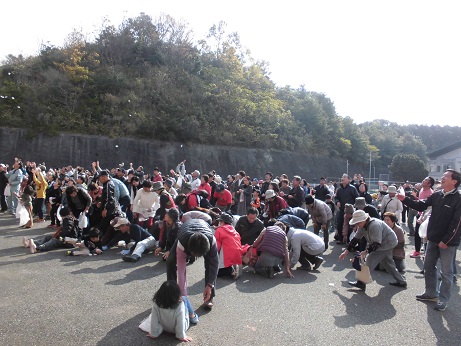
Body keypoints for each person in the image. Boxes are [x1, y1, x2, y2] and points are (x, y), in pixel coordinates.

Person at [397, 169, 461, 311]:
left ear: (454, 181)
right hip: (433, 238)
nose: (442, 177)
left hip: (448, 243)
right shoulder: (437, 195)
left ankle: (443, 299)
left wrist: (446, 240)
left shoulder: (459, 198)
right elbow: (421, 205)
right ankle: (431, 293)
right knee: (428, 266)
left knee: (447, 272)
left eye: (445, 176)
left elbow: (457, 223)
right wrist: (405, 199)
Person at [339, 210, 407, 291]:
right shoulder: (362, 226)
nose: (357, 224)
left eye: (358, 222)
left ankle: (361, 283)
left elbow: (377, 244)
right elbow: (355, 239)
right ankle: (402, 282)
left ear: (364, 219)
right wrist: (346, 251)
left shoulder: (374, 225)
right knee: (388, 264)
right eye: (356, 222)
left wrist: (366, 251)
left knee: (369, 260)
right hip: (383, 243)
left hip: (387, 243)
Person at [166, 219, 219, 310]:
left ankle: (209, 296)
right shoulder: (182, 243)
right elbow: (181, 270)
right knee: (170, 261)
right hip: (186, 230)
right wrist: (183, 296)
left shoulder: (212, 241)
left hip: (204, 227)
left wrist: (210, 285)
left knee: (209, 264)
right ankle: (173, 293)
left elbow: (214, 264)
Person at [214, 213, 250, 279]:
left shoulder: (219, 230)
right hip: (238, 255)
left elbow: (217, 246)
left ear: (222, 222)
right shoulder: (235, 231)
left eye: (220, 221)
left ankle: (231, 270)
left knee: (215, 273)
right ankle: (235, 266)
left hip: (227, 255)